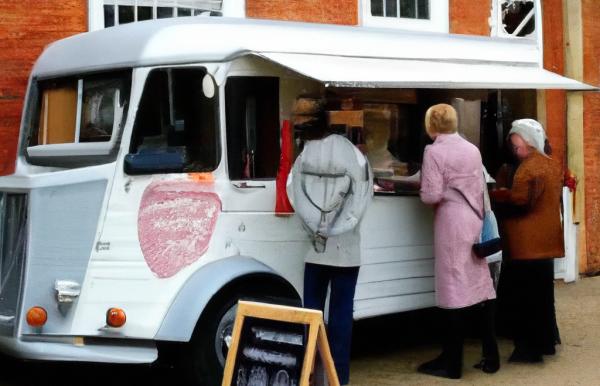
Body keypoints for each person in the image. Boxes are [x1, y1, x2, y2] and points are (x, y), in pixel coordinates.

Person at [288, 111, 373, 385]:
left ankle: (309, 375)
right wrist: (338, 227)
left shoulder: (305, 156)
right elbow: (363, 199)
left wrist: (316, 228)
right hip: (347, 250)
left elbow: (294, 194)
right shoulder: (356, 158)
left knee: (311, 314)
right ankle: (339, 377)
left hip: (314, 248)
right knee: (341, 316)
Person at [418, 104, 499, 379]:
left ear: (432, 125)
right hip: (474, 220)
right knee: (480, 286)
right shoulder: (471, 149)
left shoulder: (434, 151)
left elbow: (430, 195)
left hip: (451, 223)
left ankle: (451, 363)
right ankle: (491, 355)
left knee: (452, 289)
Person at [490, 118, 564, 363]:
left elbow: (521, 201)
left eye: (516, 144)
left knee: (526, 300)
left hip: (526, 243)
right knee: (542, 298)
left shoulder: (528, 167)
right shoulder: (552, 164)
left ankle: (528, 350)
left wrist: (500, 195)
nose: (514, 149)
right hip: (548, 241)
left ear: (526, 142)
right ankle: (545, 343)